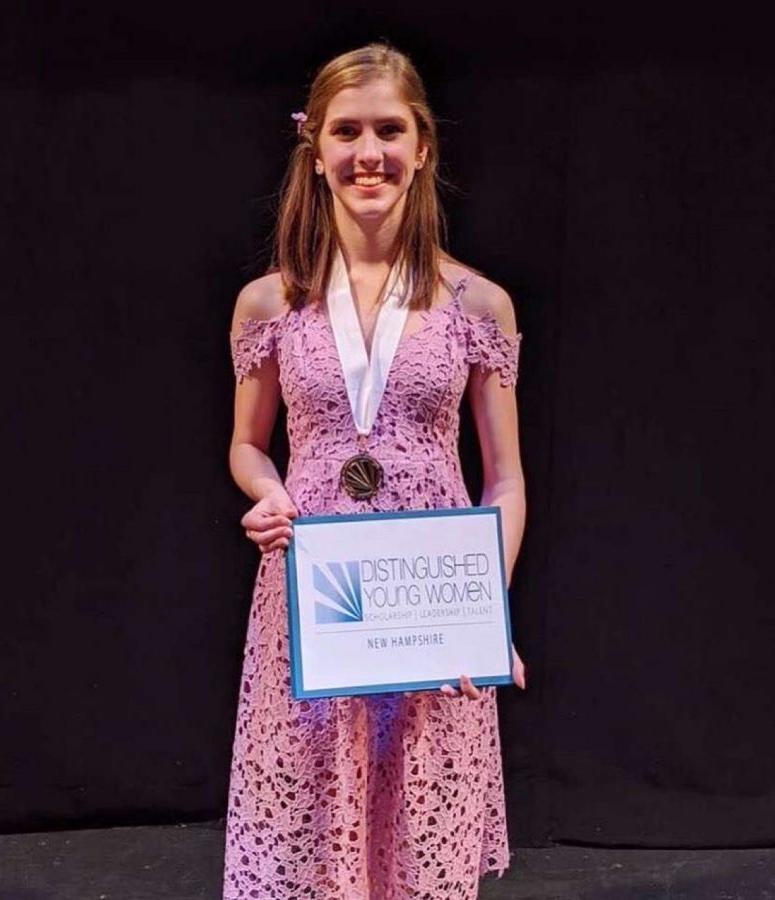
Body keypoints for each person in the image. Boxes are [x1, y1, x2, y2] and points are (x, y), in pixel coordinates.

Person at [225, 42, 527, 900]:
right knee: (310, 838)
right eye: (347, 132)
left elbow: (505, 479)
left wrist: (483, 608)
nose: (370, 154)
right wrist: (266, 493)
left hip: (431, 610)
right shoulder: (269, 302)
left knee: (416, 837)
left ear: (422, 146)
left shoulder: (478, 305)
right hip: (314, 606)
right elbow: (248, 444)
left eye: (389, 131)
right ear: (314, 149)